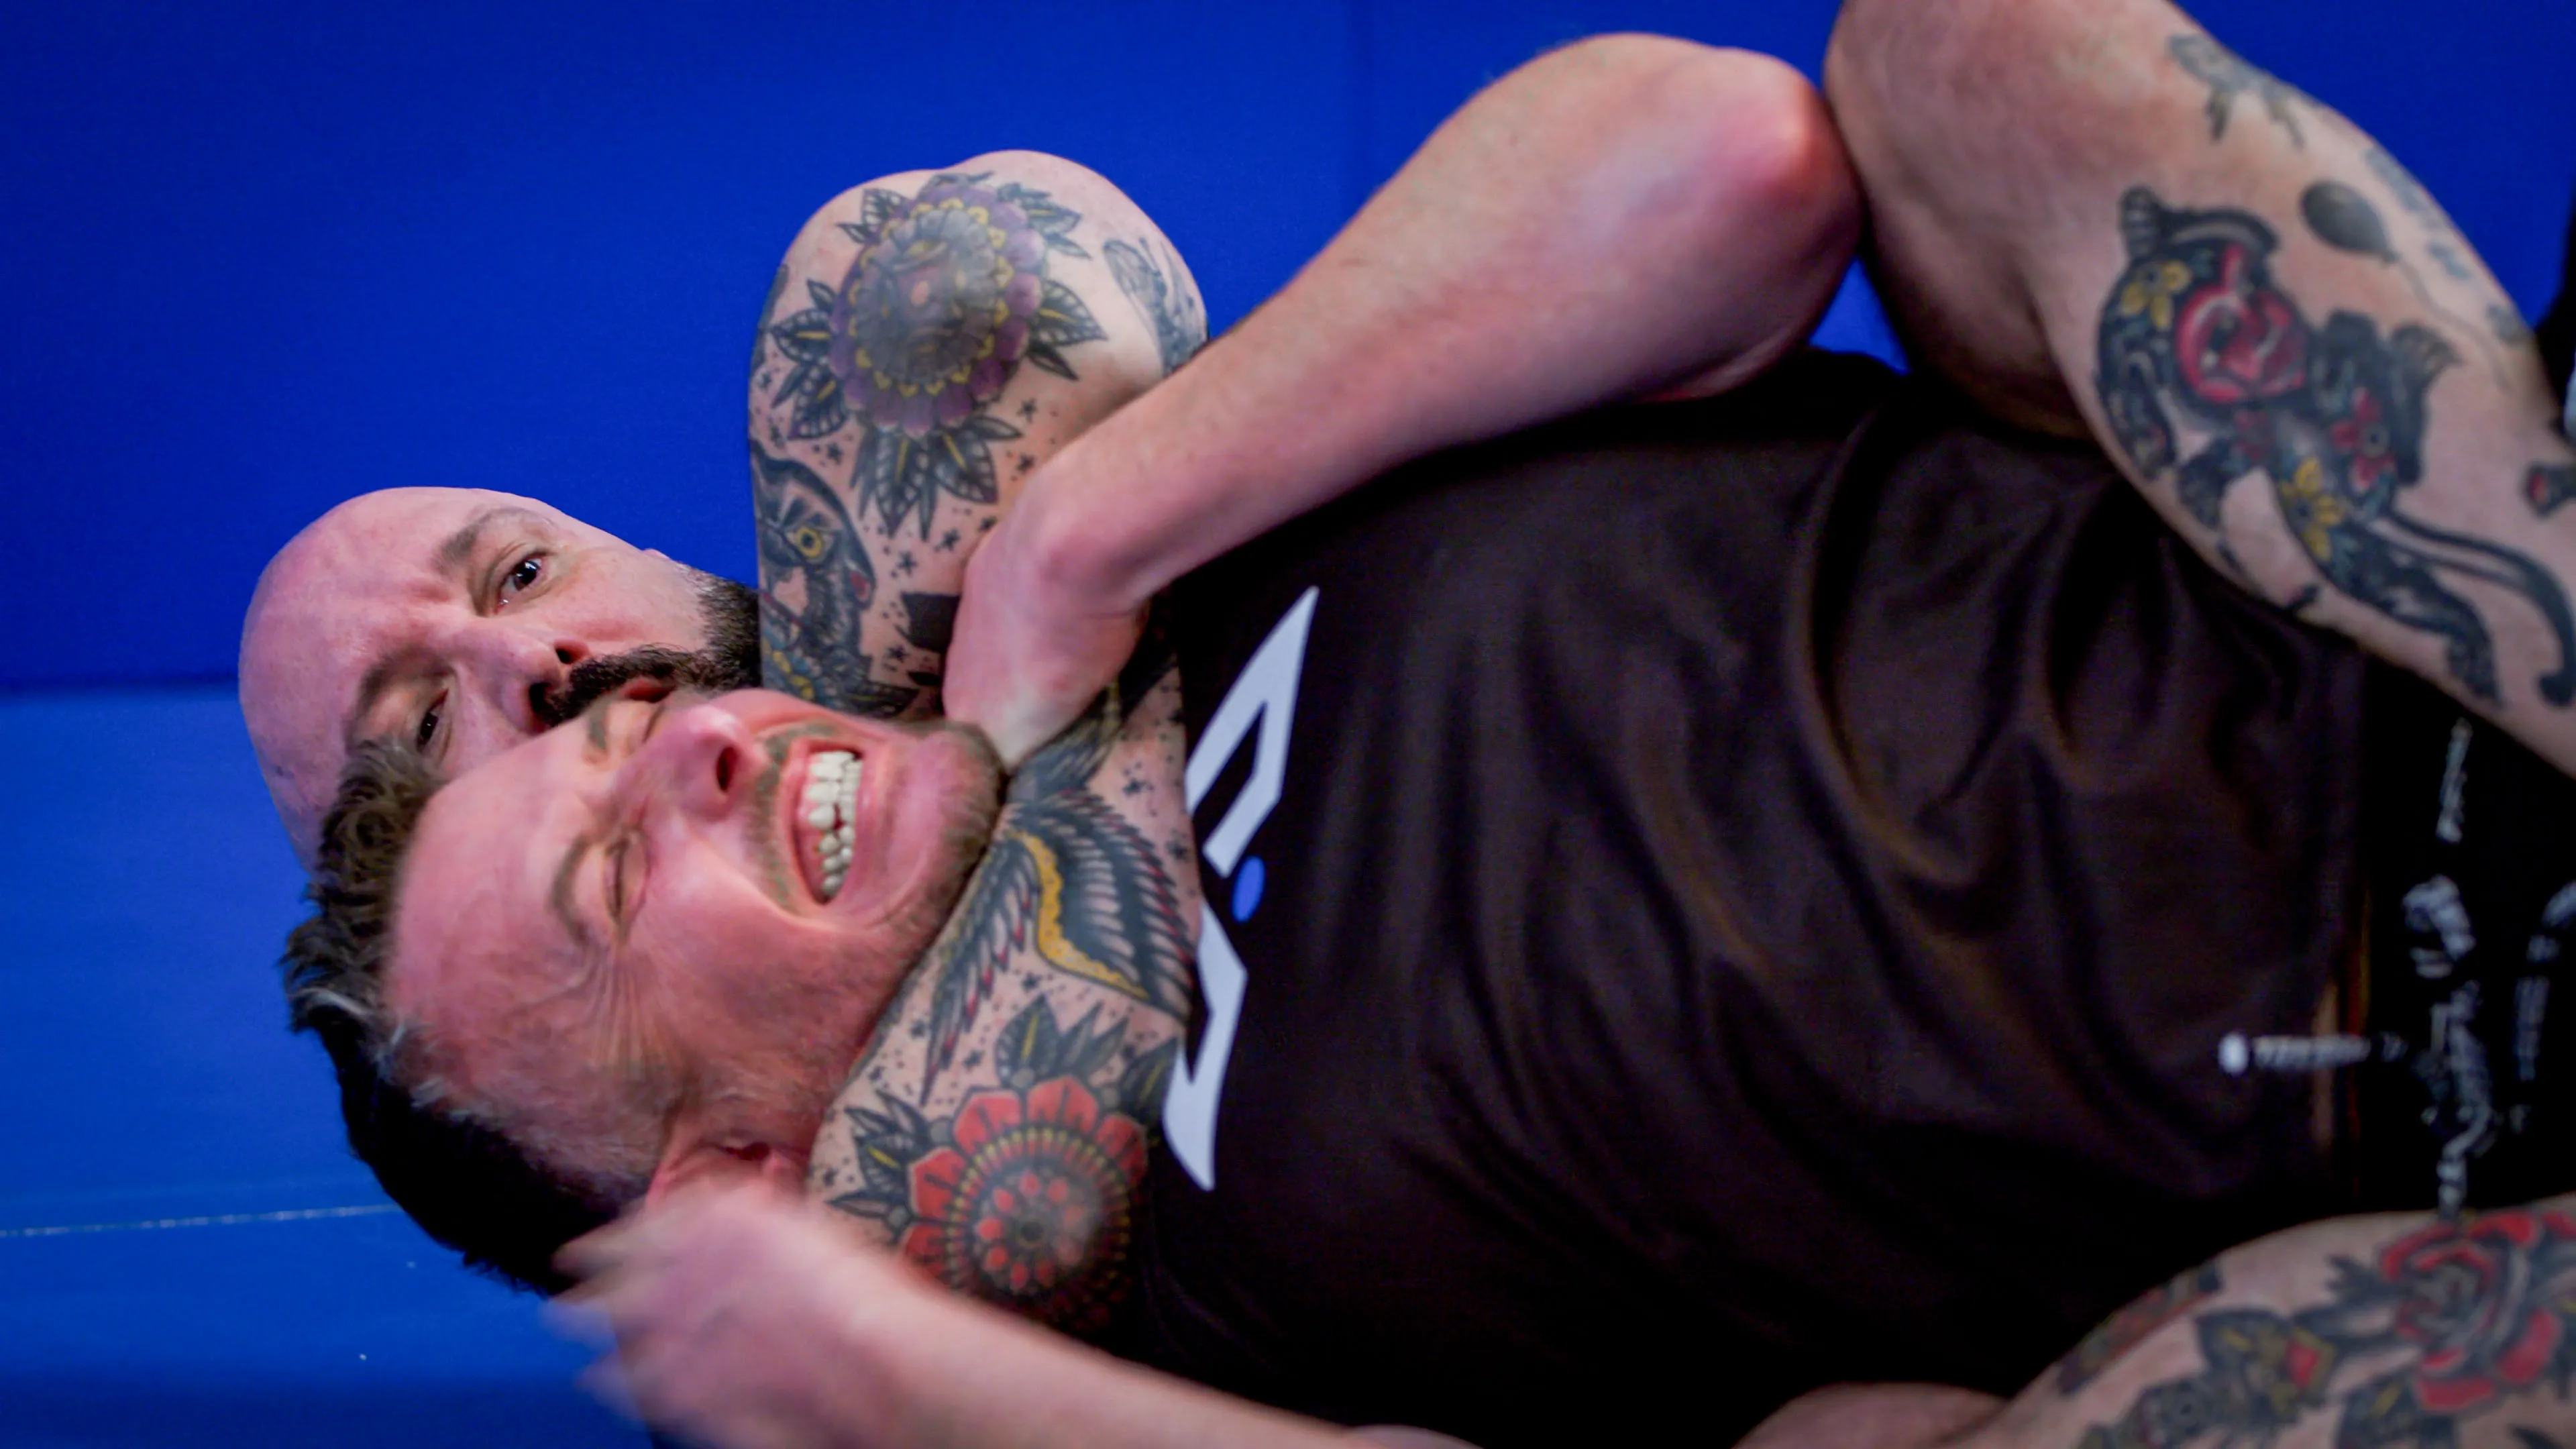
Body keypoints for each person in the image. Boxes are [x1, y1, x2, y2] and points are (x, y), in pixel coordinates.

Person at [272, 4, 2576, 1448]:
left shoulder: (1163, 513)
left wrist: (1094, 536)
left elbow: (1727, 163)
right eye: (590, 868)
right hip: (2435, 1181)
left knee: (1959, 49)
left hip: (2403, 599)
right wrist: (920, 1384)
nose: (641, 726)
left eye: (543, 618)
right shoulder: (1125, 1309)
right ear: (719, 1183)